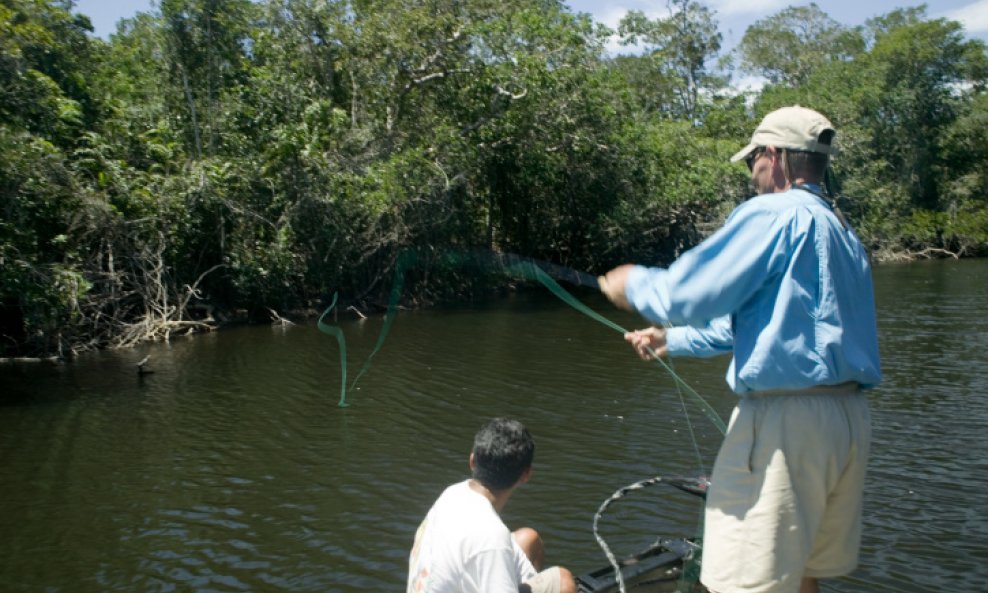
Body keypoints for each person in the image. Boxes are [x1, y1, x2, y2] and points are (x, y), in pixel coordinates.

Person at [598, 106, 882, 593]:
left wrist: (634, 284)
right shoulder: (840, 231)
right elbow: (765, 325)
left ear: (774, 155)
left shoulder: (774, 215)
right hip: (846, 422)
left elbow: (687, 294)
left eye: (753, 159)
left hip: (786, 427)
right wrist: (674, 340)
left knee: (747, 581)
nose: (751, 173)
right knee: (801, 574)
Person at [407, 417, 577, 593]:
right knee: (563, 580)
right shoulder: (492, 536)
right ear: (526, 475)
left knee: (529, 538)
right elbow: (491, 543)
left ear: (472, 460)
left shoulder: (452, 493)